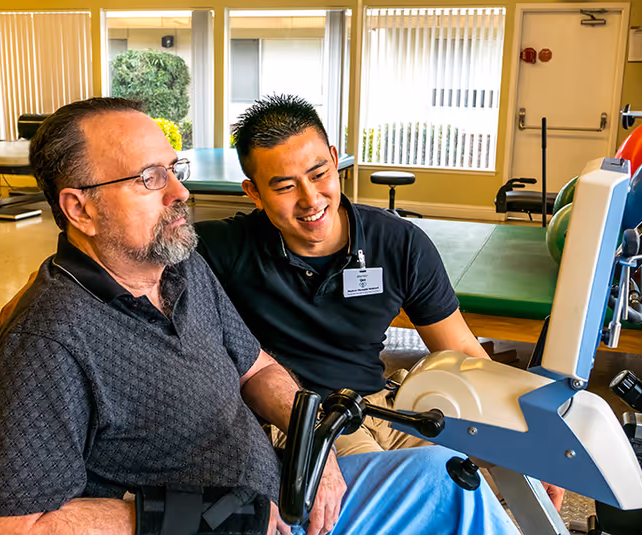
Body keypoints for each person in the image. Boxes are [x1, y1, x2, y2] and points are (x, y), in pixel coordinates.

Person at [0, 97, 519, 535]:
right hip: (235, 522)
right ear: (79, 208)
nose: (181, 192)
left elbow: (256, 367)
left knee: (446, 476)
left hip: (285, 496)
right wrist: (226, 517)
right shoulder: (46, 343)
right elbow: (18, 527)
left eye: (174, 170)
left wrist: (316, 444)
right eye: (149, 179)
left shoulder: (181, 268)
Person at [194, 94, 563, 509]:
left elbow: (463, 352)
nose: (310, 198)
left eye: (318, 174)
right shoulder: (219, 250)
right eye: (284, 187)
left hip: (382, 405)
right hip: (298, 418)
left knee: (498, 486)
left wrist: (534, 441)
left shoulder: (399, 243)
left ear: (335, 161)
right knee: (404, 502)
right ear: (254, 193)